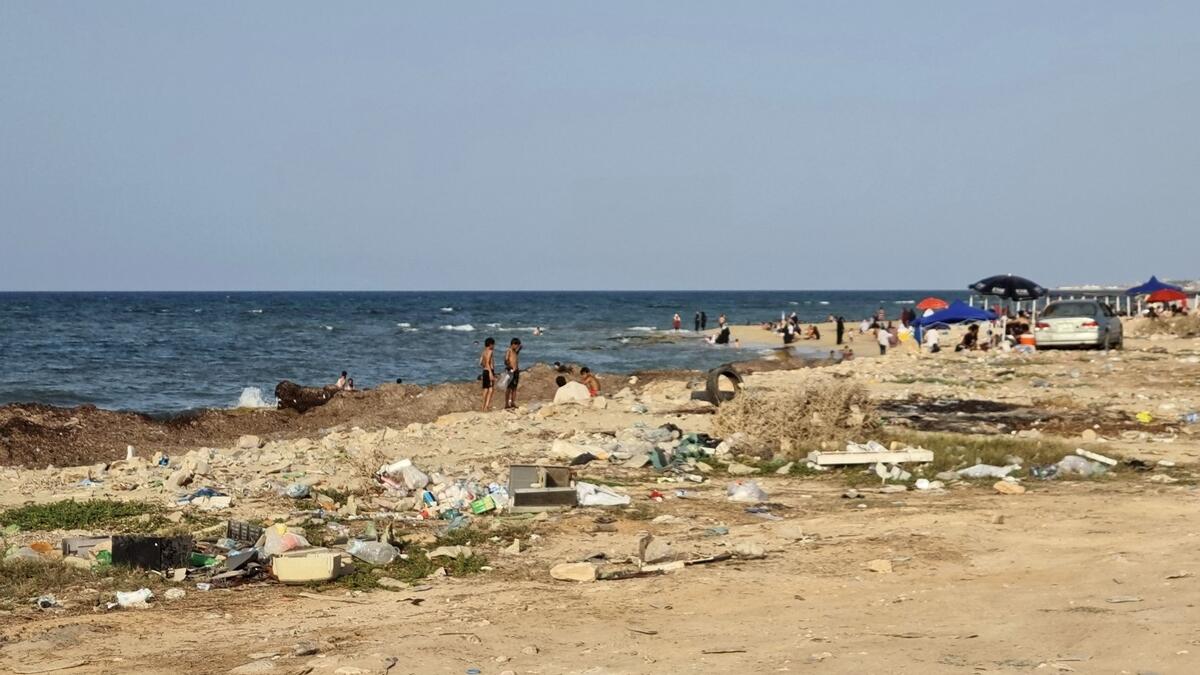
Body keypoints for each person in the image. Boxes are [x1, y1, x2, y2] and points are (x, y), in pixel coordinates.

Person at [504, 338, 522, 409]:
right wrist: (511, 367)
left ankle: (513, 402)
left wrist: (519, 349)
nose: (517, 347)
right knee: (508, 388)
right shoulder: (509, 351)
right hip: (510, 371)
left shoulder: (515, 351)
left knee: (514, 388)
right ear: (513, 344)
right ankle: (506, 403)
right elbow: (506, 360)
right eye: (516, 345)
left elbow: (515, 356)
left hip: (516, 371)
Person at [479, 337, 496, 410]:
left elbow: (480, 363)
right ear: (490, 345)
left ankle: (483, 406)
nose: (494, 346)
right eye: (493, 344)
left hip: (484, 371)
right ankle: (486, 406)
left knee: (485, 389)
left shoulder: (483, 351)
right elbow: (488, 362)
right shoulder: (490, 351)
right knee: (491, 390)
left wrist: (485, 368)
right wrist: (491, 373)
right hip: (489, 371)